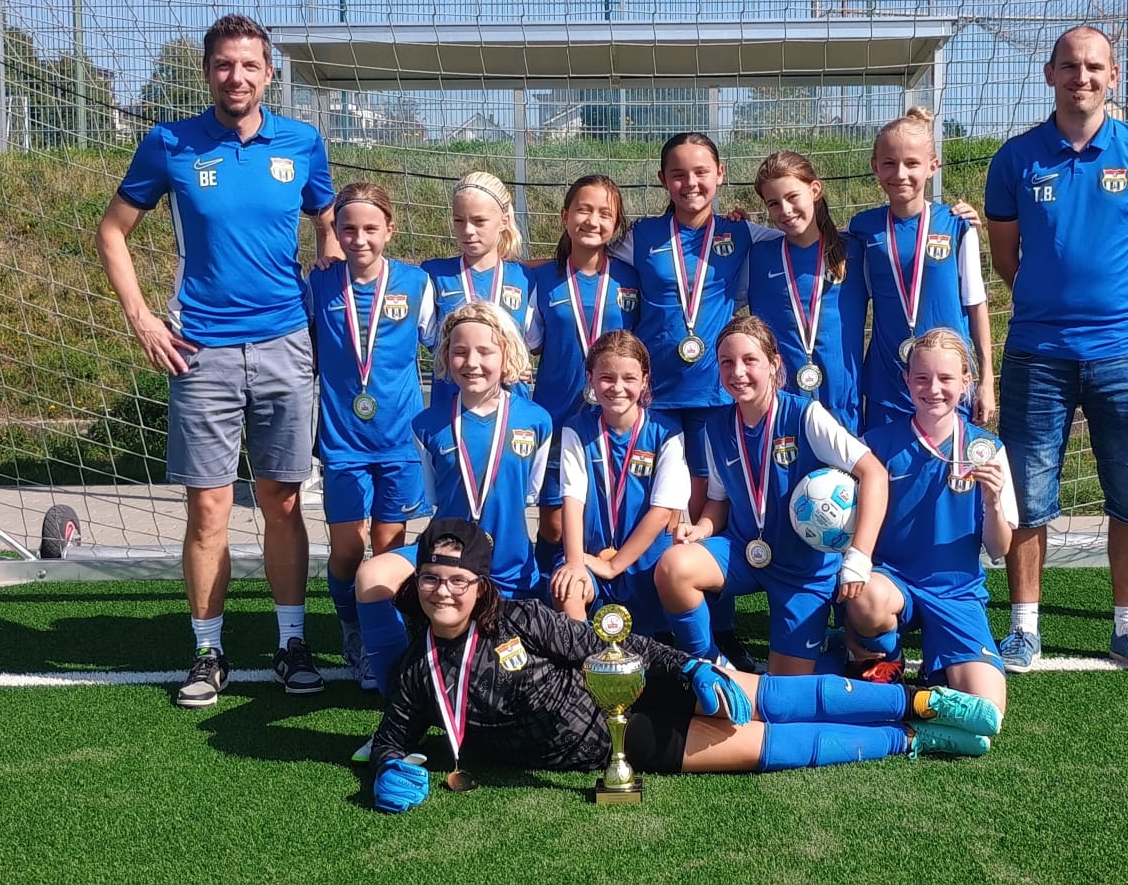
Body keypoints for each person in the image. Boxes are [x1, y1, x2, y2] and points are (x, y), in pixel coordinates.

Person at [367, 518, 1000, 814]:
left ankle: (920, 701)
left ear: (481, 585)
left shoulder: (520, 619)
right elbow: (391, 739)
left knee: (772, 696)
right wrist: (387, 771)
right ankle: (911, 739)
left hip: (644, 687)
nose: (443, 591)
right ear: (417, 583)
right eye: (432, 579)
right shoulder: (416, 672)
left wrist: (691, 668)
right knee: (770, 746)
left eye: (458, 580)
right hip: (628, 744)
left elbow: (607, 648)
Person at [95, 13, 336, 708]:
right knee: (208, 508)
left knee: (282, 500)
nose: (237, 76)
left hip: (286, 344)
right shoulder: (169, 143)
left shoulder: (302, 142)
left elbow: (327, 215)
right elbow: (111, 232)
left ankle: (291, 642)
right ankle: (208, 650)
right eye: (224, 65)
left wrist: (326, 257)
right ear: (206, 73)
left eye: (249, 65)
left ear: (269, 74)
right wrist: (143, 319)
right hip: (200, 351)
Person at [983, 25, 1128, 675]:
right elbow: (1006, 258)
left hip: (1122, 354)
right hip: (1036, 354)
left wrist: (1110, 307)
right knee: (1028, 495)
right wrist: (1052, 303)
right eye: (1069, 66)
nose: (1082, 77)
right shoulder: (1015, 159)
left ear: (1112, 76)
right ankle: (1023, 629)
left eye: (1094, 66)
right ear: (1049, 75)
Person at [614, 132, 778, 673]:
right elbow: (582, 251)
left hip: (715, 396)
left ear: (720, 174)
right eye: (679, 173)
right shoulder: (640, 236)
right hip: (656, 398)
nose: (691, 183)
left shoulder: (742, 232)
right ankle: (657, 620)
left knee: (714, 508)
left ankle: (720, 628)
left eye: (702, 171)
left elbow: (804, 229)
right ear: (663, 180)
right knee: (655, 506)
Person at [654, 315, 890, 676]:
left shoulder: (806, 415)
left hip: (802, 569)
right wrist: (700, 529)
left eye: (749, 360)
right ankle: (709, 665)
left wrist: (859, 557)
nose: (738, 372)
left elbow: (874, 472)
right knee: (673, 567)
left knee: (782, 692)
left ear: (774, 363)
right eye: (727, 362)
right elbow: (718, 499)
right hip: (744, 550)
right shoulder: (716, 426)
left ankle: (837, 649)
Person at [352, 300, 553, 699]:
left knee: (500, 683)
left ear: (507, 355)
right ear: (445, 356)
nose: (472, 362)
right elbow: (435, 496)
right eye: (460, 351)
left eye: (485, 351)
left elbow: (530, 493)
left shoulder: (537, 421)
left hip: (507, 567)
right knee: (371, 576)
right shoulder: (426, 425)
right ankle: (398, 698)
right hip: (442, 560)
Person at [844, 330, 1016, 726]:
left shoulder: (987, 450)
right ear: (906, 380)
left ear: (966, 381)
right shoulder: (875, 446)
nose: (933, 389)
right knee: (866, 598)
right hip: (893, 582)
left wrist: (993, 502)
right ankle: (886, 659)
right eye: (921, 378)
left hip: (957, 593)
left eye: (946, 378)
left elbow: (999, 548)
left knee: (986, 712)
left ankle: (926, 683)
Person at [307, 182, 436, 689]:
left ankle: (386, 638)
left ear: (390, 230)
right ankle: (352, 630)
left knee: (387, 547)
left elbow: (441, 345)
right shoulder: (320, 282)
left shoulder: (415, 283)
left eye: (370, 229)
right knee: (347, 546)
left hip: (399, 437)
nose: (359, 239)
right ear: (335, 231)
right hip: (342, 439)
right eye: (348, 229)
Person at [847, 108, 992, 432]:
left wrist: (986, 380)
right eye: (889, 163)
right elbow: (810, 237)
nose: (900, 173)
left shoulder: (956, 225)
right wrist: (743, 226)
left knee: (950, 461)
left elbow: (976, 304)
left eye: (912, 163)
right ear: (875, 166)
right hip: (889, 383)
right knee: (887, 462)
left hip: (947, 381)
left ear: (932, 166)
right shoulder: (862, 228)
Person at [526, 176, 642, 576]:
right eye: (583, 210)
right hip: (557, 415)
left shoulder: (632, 278)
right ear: (565, 216)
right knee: (556, 525)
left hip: (616, 418)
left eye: (604, 213)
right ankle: (545, 596)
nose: (592, 220)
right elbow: (532, 344)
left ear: (616, 224)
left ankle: (611, 598)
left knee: (609, 515)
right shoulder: (540, 280)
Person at [548, 330, 684, 633]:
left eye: (629, 378)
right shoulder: (576, 430)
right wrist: (574, 562)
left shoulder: (667, 433)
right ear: (590, 378)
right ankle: (581, 657)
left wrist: (614, 565)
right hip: (589, 556)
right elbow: (572, 500)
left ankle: (695, 652)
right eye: (607, 378)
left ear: (644, 381)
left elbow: (662, 511)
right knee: (568, 586)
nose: (617, 388)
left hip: (644, 562)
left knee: (653, 645)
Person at [747, 151, 865, 431]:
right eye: (774, 203)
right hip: (782, 409)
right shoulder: (757, 258)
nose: (785, 210)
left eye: (792, 197)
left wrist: (958, 220)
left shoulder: (855, 253)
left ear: (815, 190)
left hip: (844, 412)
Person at [422, 171, 536, 415]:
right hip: (451, 407)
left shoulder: (526, 279)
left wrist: (521, 362)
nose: (468, 230)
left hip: (510, 408)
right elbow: (432, 341)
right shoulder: (434, 275)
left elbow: (534, 343)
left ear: (503, 221)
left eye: (479, 221)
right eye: (459, 220)